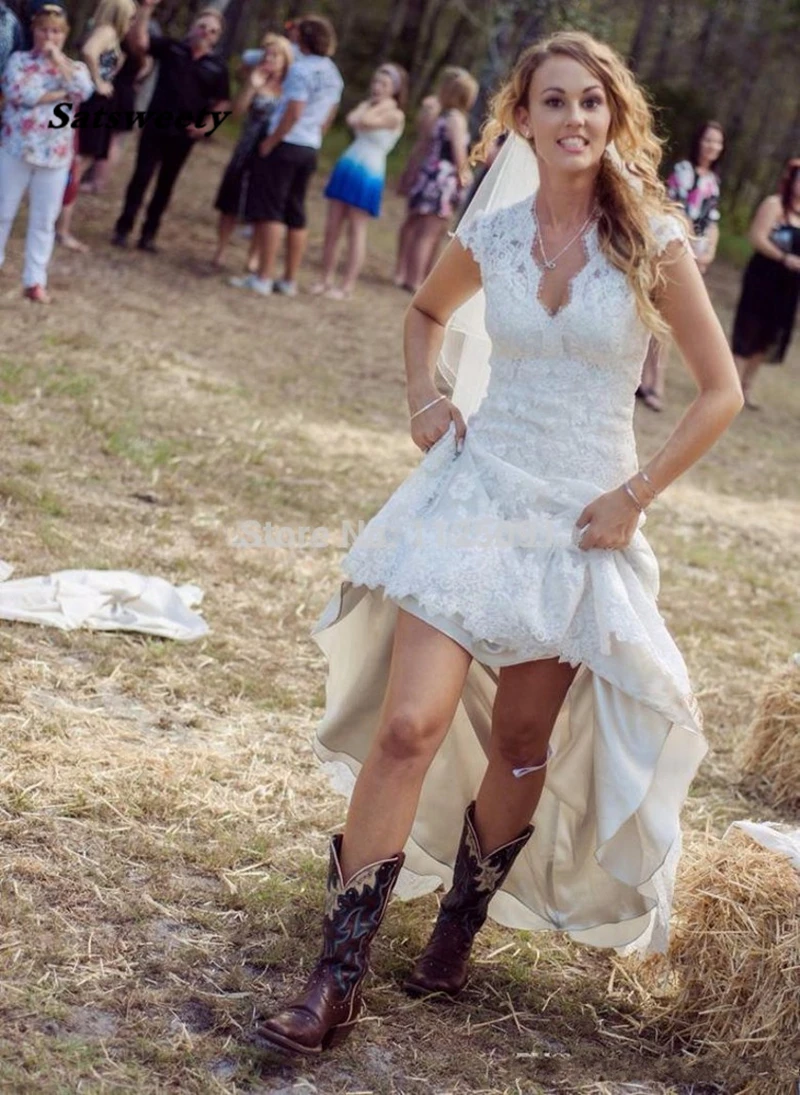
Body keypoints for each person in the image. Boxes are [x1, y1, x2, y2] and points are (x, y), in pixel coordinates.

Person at [253, 30, 743, 1058]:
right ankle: (336, 975)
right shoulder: (499, 230)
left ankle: (457, 928)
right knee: (406, 728)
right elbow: (424, 314)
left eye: (589, 105)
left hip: (575, 521)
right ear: (517, 119)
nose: (571, 120)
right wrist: (422, 400)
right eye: (551, 102)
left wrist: (633, 495)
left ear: (611, 120)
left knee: (521, 743)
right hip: (473, 498)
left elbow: (720, 392)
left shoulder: (650, 238)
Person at [231, 14, 343, 298]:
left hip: (287, 144)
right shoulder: (332, 73)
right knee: (296, 213)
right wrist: (314, 133)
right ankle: (289, 279)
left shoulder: (301, 71)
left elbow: (293, 111)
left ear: (304, 39)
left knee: (271, 211)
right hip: (309, 146)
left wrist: (271, 141)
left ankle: (263, 276)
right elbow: (329, 115)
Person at [111, 0, 230, 253]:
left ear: (217, 37)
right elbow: (140, 43)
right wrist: (146, 10)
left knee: (166, 184)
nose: (205, 33)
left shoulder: (217, 67)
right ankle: (123, 228)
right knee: (141, 177)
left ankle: (149, 235)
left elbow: (222, 102)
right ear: (193, 27)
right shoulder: (173, 48)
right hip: (156, 124)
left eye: (212, 31)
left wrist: (207, 126)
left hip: (184, 134)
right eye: (202, 27)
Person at [0, 3, 93, 302]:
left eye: (55, 31)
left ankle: (35, 279)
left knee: (44, 220)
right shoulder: (19, 60)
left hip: (54, 155)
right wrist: (59, 94)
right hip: (17, 148)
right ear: (34, 31)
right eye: (43, 30)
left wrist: (60, 64)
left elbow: (83, 91)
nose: (48, 36)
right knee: (3, 211)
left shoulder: (75, 68)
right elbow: (20, 94)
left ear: (64, 35)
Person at [638, 120, 725, 411]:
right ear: (699, 141)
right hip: (674, 246)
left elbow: (712, 221)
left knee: (669, 317)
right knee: (659, 312)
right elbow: (672, 208)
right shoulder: (682, 172)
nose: (712, 147)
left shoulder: (714, 182)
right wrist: (687, 244)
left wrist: (708, 250)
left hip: (697, 253)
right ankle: (653, 381)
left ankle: (651, 379)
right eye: (708, 140)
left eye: (718, 142)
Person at [311, 62, 406, 300]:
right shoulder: (367, 105)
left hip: (369, 170)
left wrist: (382, 104)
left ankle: (347, 286)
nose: (377, 87)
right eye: (375, 82)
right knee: (332, 226)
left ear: (395, 88)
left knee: (356, 229)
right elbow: (353, 119)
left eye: (384, 84)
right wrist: (369, 107)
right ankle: (325, 278)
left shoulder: (394, 113)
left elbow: (366, 122)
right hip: (349, 162)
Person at [54, 0, 136, 252]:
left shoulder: (104, 30)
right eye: (130, 16)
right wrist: (98, 81)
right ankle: (61, 228)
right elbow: (89, 51)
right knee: (76, 165)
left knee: (79, 163)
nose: (132, 22)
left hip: (98, 104)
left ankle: (59, 222)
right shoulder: (107, 31)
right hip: (93, 103)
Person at [210, 33, 292, 272]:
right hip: (247, 147)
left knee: (261, 206)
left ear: (285, 60)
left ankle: (253, 255)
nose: (270, 59)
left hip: (272, 152)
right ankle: (221, 248)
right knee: (231, 201)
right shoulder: (256, 81)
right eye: (267, 54)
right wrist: (251, 87)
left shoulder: (289, 89)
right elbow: (236, 113)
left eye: (275, 55)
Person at [731, 157, 800, 409]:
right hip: (764, 277)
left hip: (789, 286)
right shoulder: (774, 204)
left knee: (770, 335)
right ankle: (733, 387)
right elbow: (757, 237)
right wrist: (784, 257)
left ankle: (747, 386)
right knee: (749, 329)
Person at [401, 67, 478, 293]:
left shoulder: (441, 116)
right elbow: (458, 151)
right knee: (429, 232)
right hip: (443, 179)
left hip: (430, 173)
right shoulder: (456, 119)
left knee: (424, 229)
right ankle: (416, 281)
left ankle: (414, 276)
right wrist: (465, 174)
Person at [392, 90, 441, 289]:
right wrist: (409, 173)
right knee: (412, 221)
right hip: (424, 174)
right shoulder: (434, 106)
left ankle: (424, 272)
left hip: (441, 180)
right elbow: (421, 143)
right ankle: (401, 268)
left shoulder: (452, 115)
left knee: (433, 230)